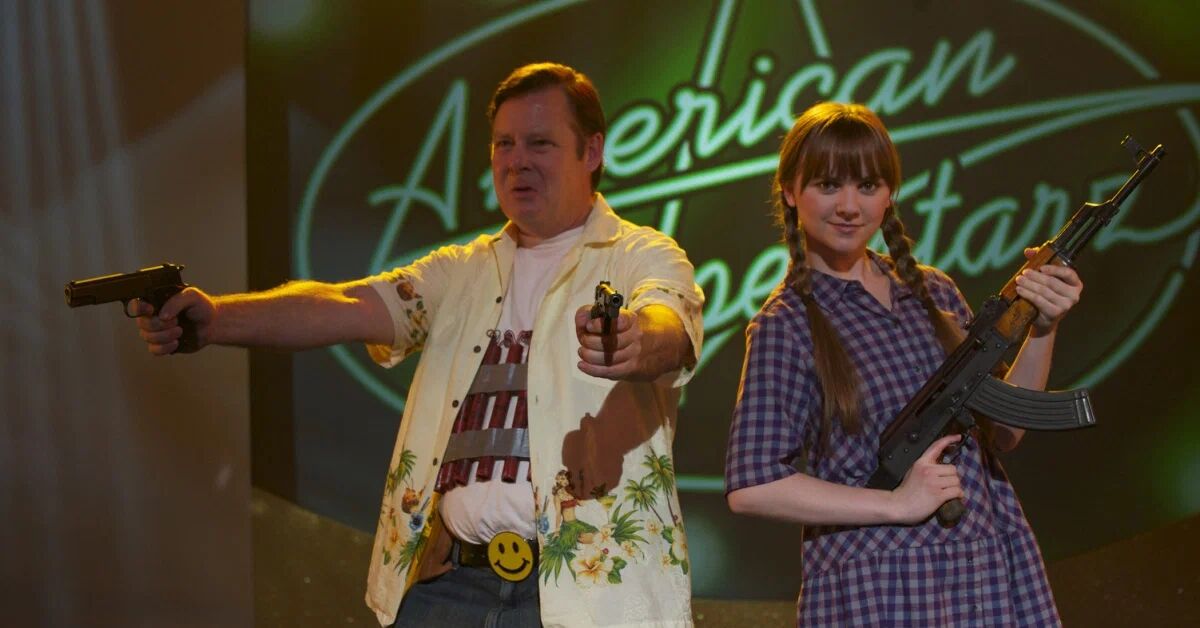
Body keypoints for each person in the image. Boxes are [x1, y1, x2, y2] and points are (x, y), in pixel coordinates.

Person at [135, 63, 704, 627]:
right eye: (504, 144)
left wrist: (635, 339)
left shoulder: (640, 254)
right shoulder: (462, 271)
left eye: (540, 143)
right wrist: (216, 319)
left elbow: (669, 324)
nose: (517, 161)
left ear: (592, 151)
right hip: (452, 587)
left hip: (587, 600)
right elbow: (346, 304)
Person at [724, 102, 1082, 626]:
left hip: (986, 563)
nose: (850, 206)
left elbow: (1005, 431)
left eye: (868, 186)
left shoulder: (932, 291)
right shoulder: (786, 324)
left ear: (890, 194)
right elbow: (753, 486)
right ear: (790, 191)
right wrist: (895, 504)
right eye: (828, 185)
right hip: (883, 585)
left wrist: (1043, 327)